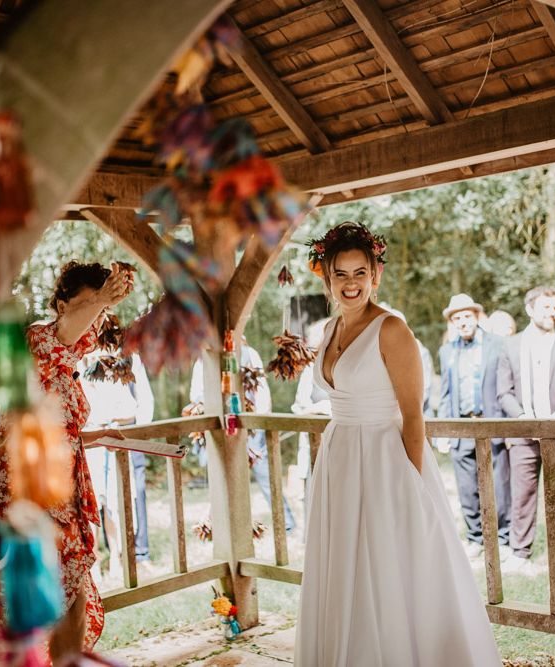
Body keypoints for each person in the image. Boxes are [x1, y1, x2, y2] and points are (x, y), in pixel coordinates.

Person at [295, 222, 500, 666]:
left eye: (360, 273)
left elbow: (412, 416)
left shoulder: (392, 330)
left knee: (388, 566)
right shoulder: (329, 330)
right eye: (341, 275)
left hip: (384, 463)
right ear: (326, 278)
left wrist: (411, 479)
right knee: (342, 566)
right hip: (339, 459)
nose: (351, 284)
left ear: (375, 276)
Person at [0, 261, 133, 661]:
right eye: (85, 305)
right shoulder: (38, 341)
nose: (94, 315)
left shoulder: (69, 359)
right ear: (61, 305)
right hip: (21, 491)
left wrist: (95, 437)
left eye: (97, 309)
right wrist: (102, 297)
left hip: (62, 491)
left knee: (74, 596)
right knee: (20, 605)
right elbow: (67, 335)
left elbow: (56, 421)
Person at [497, 286, 555, 577]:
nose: (552, 313)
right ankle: (519, 552)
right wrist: (524, 419)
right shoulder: (510, 345)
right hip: (524, 434)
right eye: (545, 308)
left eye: (554, 308)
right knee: (522, 495)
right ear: (529, 310)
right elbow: (504, 392)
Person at [190, 339, 296, 532]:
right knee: (221, 473)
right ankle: (224, 523)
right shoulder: (202, 359)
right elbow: (195, 394)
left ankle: (286, 522)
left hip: (251, 424)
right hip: (220, 426)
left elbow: (262, 392)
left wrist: (259, 422)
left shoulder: (250, 353)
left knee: (264, 473)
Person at [437, 294, 511, 559]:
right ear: (452, 322)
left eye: (466, 316)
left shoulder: (498, 344)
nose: (463, 322)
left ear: (476, 316)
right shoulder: (447, 351)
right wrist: (444, 432)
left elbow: (506, 386)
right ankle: (476, 537)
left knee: (499, 485)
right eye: (457, 318)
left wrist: (510, 426)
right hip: (461, 426)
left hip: (492, 423)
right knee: (467, 488)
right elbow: (445, 393)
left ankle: (503, 538)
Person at [79, 347, 155, 573]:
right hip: (91, 442)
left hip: (119, 437)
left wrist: (118, 422)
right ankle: (95, 560)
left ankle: (119, 556)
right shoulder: (78, 368)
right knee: (93, 502)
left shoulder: (122, 366)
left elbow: (135, 405)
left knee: (118, 499)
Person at [291, 318, 331, 532]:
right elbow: (299, 407)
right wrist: (322, 408)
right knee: (314, 491)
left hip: (343, 443)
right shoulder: (309, 371)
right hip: (315, 445)